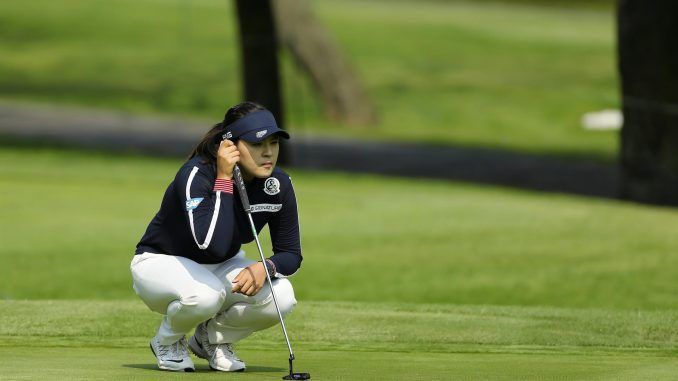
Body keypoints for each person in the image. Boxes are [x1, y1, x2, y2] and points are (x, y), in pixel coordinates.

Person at [130, 101, 303, 372]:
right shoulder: (196, 175)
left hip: (221, 266)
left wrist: (266, 267)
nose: (268, 153)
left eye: (274, 143)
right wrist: (224, 179)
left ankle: (210, 339)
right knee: (205, 295)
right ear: (229, 146)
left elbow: (291, 254)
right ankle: (167, 340)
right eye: (258, 145)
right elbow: (211, 243)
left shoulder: (277, 184)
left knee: (282, 296)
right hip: (160, 263)